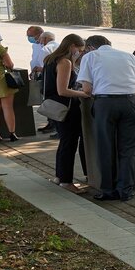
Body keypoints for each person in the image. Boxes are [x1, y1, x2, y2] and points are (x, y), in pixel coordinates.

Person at [77, 35, 135, 202]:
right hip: (130, 102)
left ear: (89, 47)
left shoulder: (90, 57)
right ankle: (126, 190)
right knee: (128, 148)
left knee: (105, 146)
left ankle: (108, 189)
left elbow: (86, 89)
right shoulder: (128, 56)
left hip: (105, 103)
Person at [42, 34, 91, 194]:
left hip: (55, 107)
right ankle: (66, 181)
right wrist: (84, 94)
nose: (80, 53)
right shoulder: (65, 62)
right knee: (69, 144)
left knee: (64, 142)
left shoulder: (50, 59)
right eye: (80, 49)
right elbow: (62, 90)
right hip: (67, 108)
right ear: (72, 46)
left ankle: (59, 176)